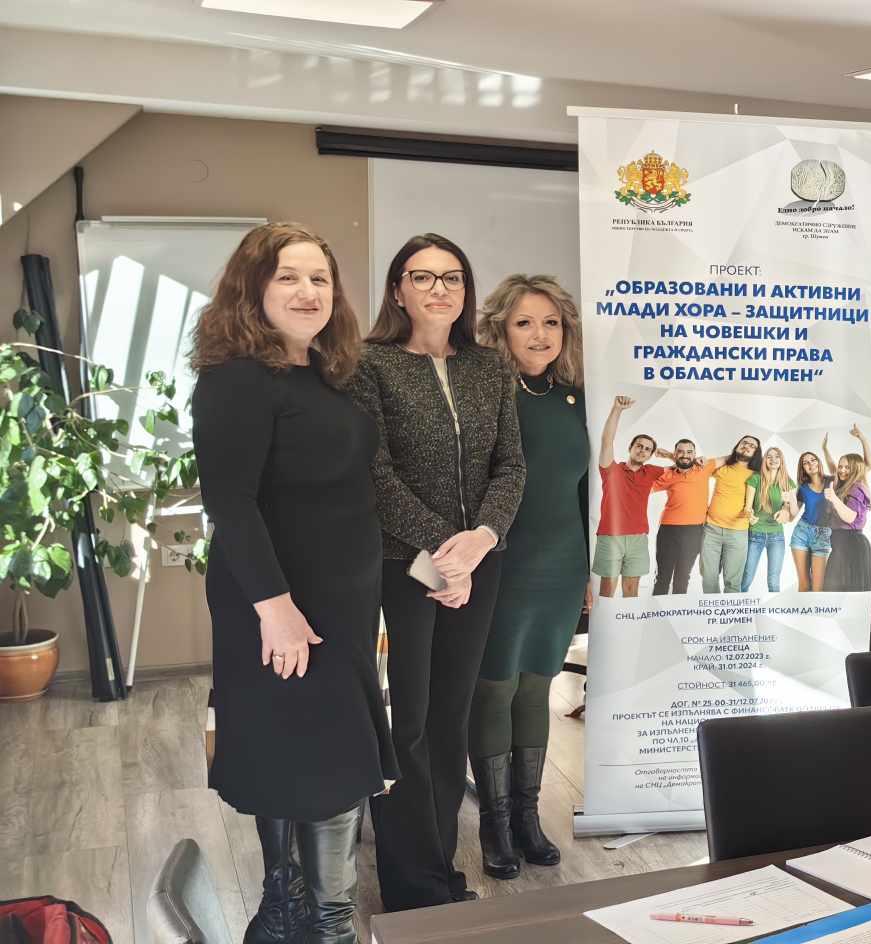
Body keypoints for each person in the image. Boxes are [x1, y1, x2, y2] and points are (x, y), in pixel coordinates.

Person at [192, 222, 395, 944]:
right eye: (288, 277)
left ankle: (288, 917)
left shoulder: (327, 374)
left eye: (320, 278)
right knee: (320, 759)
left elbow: (351, 491)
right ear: (253, 288)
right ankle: (323, 925)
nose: (308, 291)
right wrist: (275, 611)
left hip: (339, 605)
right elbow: (231, 503)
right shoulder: (237, 378)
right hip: (280, 603)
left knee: (304, 755)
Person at [352, 233, 526, 911]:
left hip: (479, 561)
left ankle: (441, 868)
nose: (438, 289)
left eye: (451, 277)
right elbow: (376, 474)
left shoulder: (490, 367)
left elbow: (511, 465)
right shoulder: (370, 365)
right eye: (422, 277)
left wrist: (480, 539)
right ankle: (411, 884)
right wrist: (444, 555)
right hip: (406, 562)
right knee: (412, 723)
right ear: (398, 290)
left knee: (453, 717)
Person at [469, 274, 589, 882]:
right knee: (495, 688)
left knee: (538, 686)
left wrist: (590, 567)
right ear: (500, 330)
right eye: (524, 323)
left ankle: (526, 818)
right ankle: (493, 824)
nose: (539, 334)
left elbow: (587, 492)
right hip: (501, 561)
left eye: (550, 322)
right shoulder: (483, 394)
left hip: (562, 564)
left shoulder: (577, 399)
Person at [593, 398, 662, 598]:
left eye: (647, 449)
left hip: (638, 538)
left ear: (650, 455)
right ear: (630, 448)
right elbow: (607, 441)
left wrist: (669, 456)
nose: (642, 450)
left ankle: (630, 621)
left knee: (632, 591)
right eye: (639, 446)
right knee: (607, 590)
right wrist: (617, 409)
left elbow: (683, 469)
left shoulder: (651, 472)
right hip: (611, 536)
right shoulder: (611, 469)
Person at [700, 435, 762, 592]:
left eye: (752, 446)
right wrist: (730, 456)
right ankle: (712, 608)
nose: (747, 446)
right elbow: (698, 466)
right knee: (708, 578)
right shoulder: (722, 468)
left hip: (738, 533)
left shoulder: (756, 475)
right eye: (744, 443)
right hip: (711, 530)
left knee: (733, 583)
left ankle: (730, 608)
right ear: (737, 445)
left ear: (756, 453)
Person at [818, 426, 871, 591]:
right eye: (841, 466)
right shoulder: (843, 483)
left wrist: (834, 499)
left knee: (841, 592)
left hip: (851, 545)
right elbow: (833, 468)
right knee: (833, 591)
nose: (841, 470)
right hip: (841, 544)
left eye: (847, 467)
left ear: (856, 469)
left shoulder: (856, 487)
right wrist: (825, 449)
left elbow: (850, 517)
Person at [652, 439, 710, 595]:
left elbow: (729, 459)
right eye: (680, 451)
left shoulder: (704, 469)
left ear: (695, 454)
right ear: (675, 453)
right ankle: (657, 609)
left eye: (689, 452)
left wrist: (670, 456)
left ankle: (678, 610)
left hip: (694, 531)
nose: (685, 455)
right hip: (668, 530)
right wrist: (669, 458)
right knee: (662, 577)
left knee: (683, 577)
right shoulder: (667, 474)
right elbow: (643, 489)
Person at [742, 447, 798, 591]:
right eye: (769, 456)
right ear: (765, 460)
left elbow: (790, 513)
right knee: (747, 576)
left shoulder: (788, 483)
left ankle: (775, 606)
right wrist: (750, 515)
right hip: (755, 534)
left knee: (774, 580)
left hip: (777, 537)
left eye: (777, 456)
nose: (773, 459)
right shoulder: (756, 479)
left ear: (781, 460)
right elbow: (747, 508)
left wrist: (785, 510)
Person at [791, 451, 833, 591]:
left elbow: (836, 469)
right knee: (803, 585)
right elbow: (793, 514)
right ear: (803, 468)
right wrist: (790, 498)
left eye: (813, 460)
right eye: (806, 463)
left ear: (819, 462)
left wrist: (825, 449)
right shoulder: (803, 488)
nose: (810, 464)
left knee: (817, 588)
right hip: (801, 532)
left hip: (823, 534)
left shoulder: (831, 481)